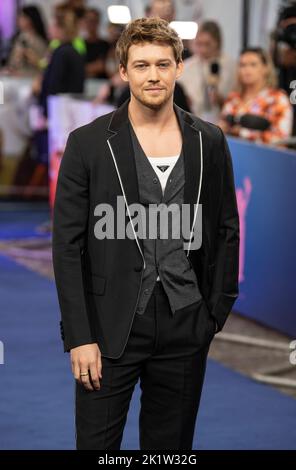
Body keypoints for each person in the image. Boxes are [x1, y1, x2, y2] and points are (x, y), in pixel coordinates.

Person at [52, 17, 239, 450]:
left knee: (170, 451)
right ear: (123, 72)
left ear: (179, 67)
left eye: (162, 64)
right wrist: (79, 336)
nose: (153, 75)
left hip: (186, 321)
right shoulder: (88, 144)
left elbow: (226, 228)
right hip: (109, 326)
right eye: (141, 65)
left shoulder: (208, 140)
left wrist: (214, 313)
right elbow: (67, 246)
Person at [219, 47, 293, 145]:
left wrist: (240, 133)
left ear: (265, 68)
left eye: (253, 65)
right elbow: (222, 127)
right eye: (242, 65)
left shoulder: (278, 99)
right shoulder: (233, 98)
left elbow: (281, 139)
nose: (247, 69)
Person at [177, 20, 236, 123]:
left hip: (221, 123)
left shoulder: (231, 65)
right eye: (199, 44)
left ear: (218, 43)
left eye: (208, 44)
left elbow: (237, 100)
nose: (203, 49)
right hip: (192, 121)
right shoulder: (186, 66)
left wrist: (220, 100)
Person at [7, 5, 48, 75]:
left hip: (29, 78)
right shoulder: (21, 36)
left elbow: (42, 64)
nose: (18, 19)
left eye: (22, 16)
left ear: (30, 19)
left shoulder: (36, 40)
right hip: (18, 76)